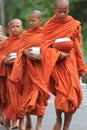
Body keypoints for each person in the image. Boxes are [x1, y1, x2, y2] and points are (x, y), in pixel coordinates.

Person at [41, 0, 87, 130]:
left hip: (71, 62)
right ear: (54, 10)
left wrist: (80, 65)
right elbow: (44, 48)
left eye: (64, 12)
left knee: (73, 95)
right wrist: (57, 54)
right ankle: (58, 119)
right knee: (62, 95)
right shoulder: (49, 25)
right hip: (57, 65)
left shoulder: (73, 24)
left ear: (69, 10)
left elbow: (78, 45)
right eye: (59, 11)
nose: (62, 14)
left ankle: (66, 126)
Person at [8, 10, 50, 130]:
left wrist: (40, 55)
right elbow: (20, 49)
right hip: (28, 70)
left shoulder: (45, 34)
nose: (31, 23)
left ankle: (39, 125)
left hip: (40, 69)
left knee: (40, 97)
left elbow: (49, 50)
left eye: (34, 20)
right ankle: (28, 120)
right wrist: (24, 51)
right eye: (29, 21)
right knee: (26, 96)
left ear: (40, 21)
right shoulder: (25, 34)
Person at [0, 19, 23, 130]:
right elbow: (1, 55)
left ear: (21, 28)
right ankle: (11, 120)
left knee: (19, 96)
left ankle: (16, 121)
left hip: (20, 73)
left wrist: (19, 60)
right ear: (8, 29)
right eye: (13, 27)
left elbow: (27, 53)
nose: (15, 29)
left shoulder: (24, 41)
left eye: (18, 26)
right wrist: (5, 60)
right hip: (9, 73)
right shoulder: (6, 42)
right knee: (10, 97)